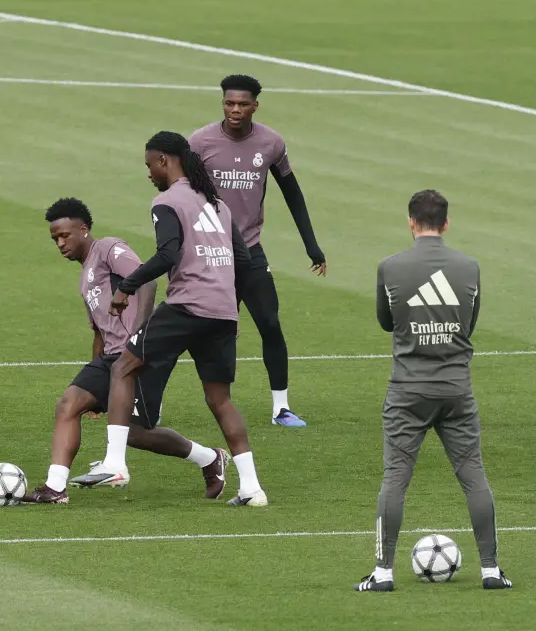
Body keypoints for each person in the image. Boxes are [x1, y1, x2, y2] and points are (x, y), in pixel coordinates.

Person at [92, 131, 267, 507]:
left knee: (123, 367)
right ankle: (252, 488)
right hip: (221, 312)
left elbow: (167, 255)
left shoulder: (167, 202)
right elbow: (244, 259)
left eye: (149, 165)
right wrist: (226, 305)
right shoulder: (217, 204)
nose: (149, 174)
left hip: (187, 306)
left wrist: (126, 287)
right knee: (220, 399)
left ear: (164, 161)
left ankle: (115, 463)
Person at [356, 190, 509, 592]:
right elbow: (467, 326)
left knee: (395, 480)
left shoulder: (390, 267)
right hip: (457, 388)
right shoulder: (469, 267)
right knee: (473, 476)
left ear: (410, 222)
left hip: (407, 390)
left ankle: (383, 573)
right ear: (446, 223)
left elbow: (385, 322)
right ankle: (491, 571)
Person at [33, 198, 229, 503]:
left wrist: (139, 336)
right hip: (111, 360)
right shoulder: (84, 277)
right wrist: (96, 382)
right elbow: (99, 330)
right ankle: (55, 488)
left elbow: (147, 281)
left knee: (136, 433)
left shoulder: (109, 248)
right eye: (55, 239)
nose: (60, 243)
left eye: (64, 235)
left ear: (83, 229)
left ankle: (208, 458)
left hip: (139, 353)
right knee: (69, 404)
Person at [189, 74, 325, 428]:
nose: (235, 110)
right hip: (212, 254)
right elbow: (182, 197)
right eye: (229, 103)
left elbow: (292, 193)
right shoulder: (200, 142)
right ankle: (222, 405)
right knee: (219, 331)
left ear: (255, 106)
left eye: (242, 104)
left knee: (269, 322)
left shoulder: (271, 143)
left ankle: (281, 408)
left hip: (249, 250)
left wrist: (311, 245)